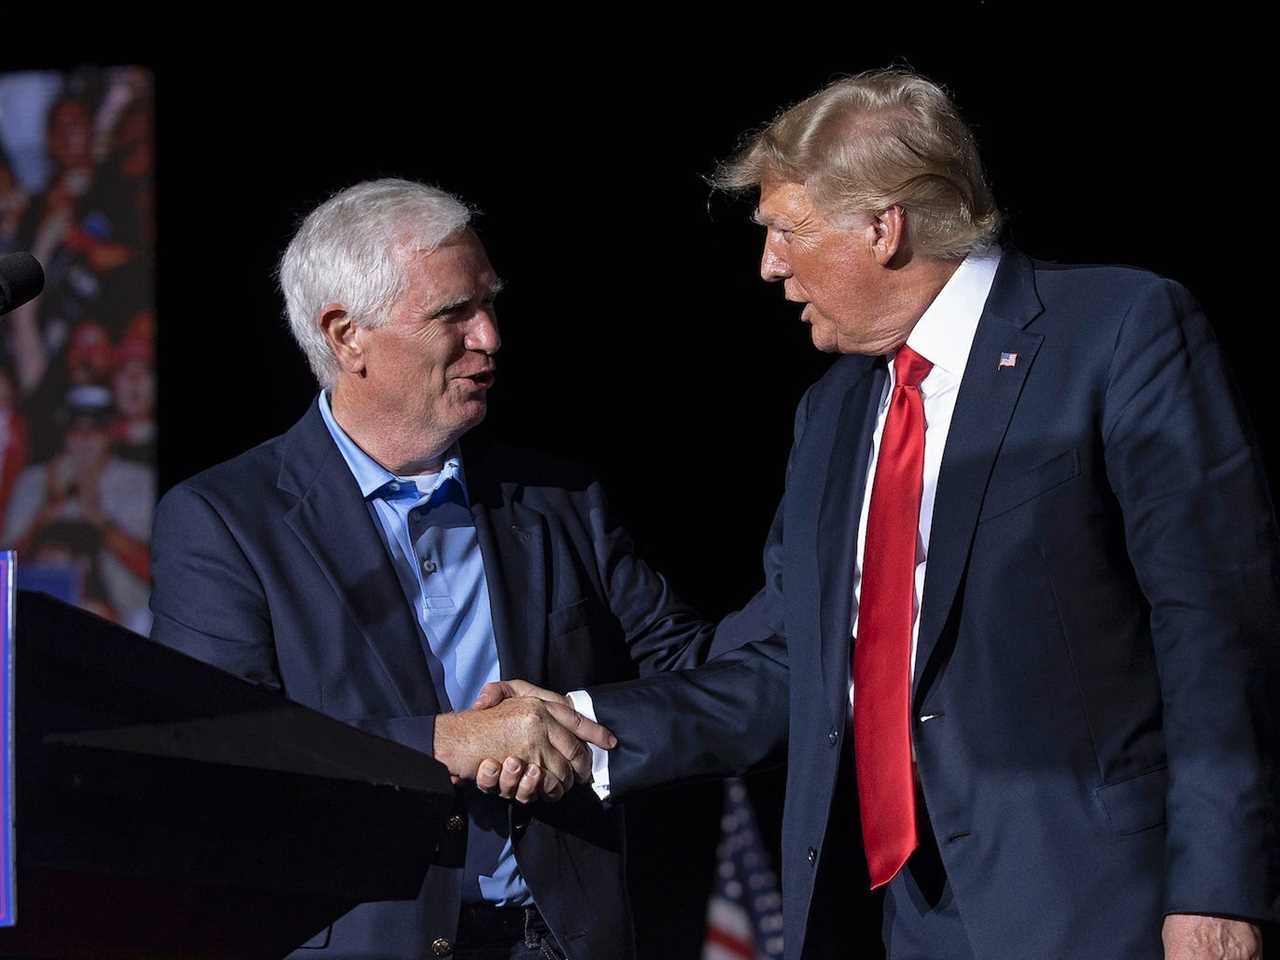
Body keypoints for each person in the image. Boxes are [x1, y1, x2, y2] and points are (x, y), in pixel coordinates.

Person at [479, 70, 1280, 960]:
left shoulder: (1119, 329)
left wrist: (1219, 889)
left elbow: (1211, 628)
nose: (769, 264)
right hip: (898, 916)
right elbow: (789, 663)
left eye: (787, 230)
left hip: (1101, 904)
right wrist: (582, 729)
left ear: (882, 226)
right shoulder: (832, 413)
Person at [148, 179, 718, 960]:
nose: (490, 336)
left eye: (488, 304)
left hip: (562, 939)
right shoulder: (225, 520)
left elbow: (694, 675)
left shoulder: (556, 499)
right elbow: (223, 751)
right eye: (454, 313)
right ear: (347, 336)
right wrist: (447, 741)